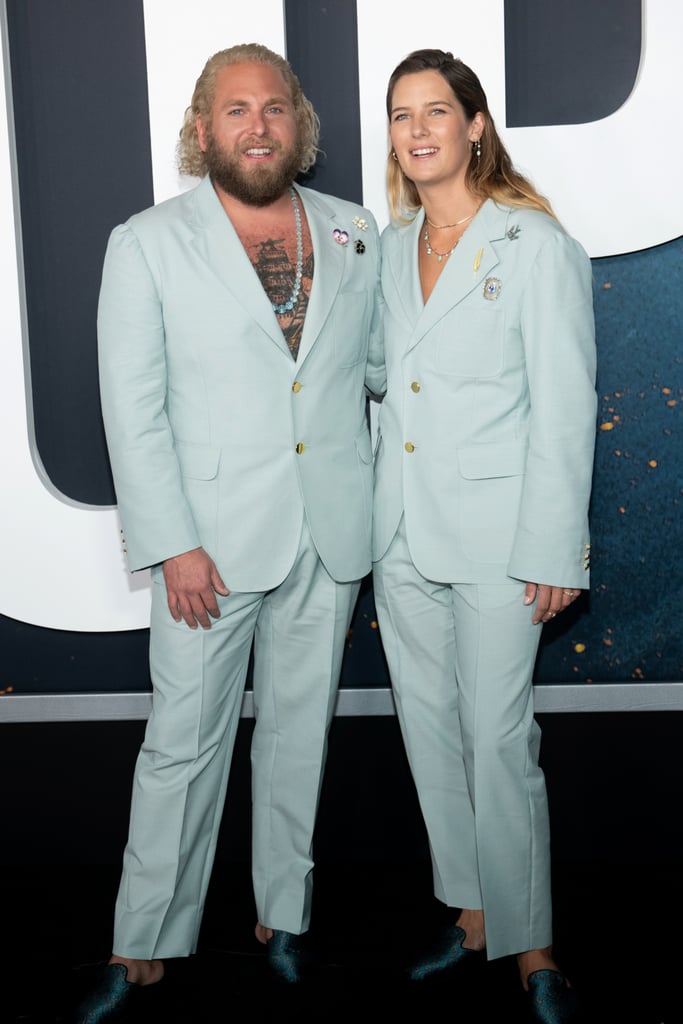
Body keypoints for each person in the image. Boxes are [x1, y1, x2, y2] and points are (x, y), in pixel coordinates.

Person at [69, 42, 383, 1021]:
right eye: (235, 109)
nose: (258, 125)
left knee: (299, 736)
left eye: (275, 108)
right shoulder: (148, 242)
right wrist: (171, 542)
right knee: (182, 743)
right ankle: (144, 942)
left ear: (299, 124)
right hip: (207, 544)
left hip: (327, 534)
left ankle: (279, 916)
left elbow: (375, 375)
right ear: (202, 130)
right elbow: (135, 408)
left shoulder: (355, 232)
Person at [371, 49, 596, 1023]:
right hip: (399, 534)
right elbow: (379, 379)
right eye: (398, 115)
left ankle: (531, 942)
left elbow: (562, 404)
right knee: (429, 736)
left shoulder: (532, 245)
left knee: (497, 738)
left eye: (434, 111)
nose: (415, 130)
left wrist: (554, 548)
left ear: (473, 124)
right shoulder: (384, 248)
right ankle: (471, 914)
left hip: (503, 538)